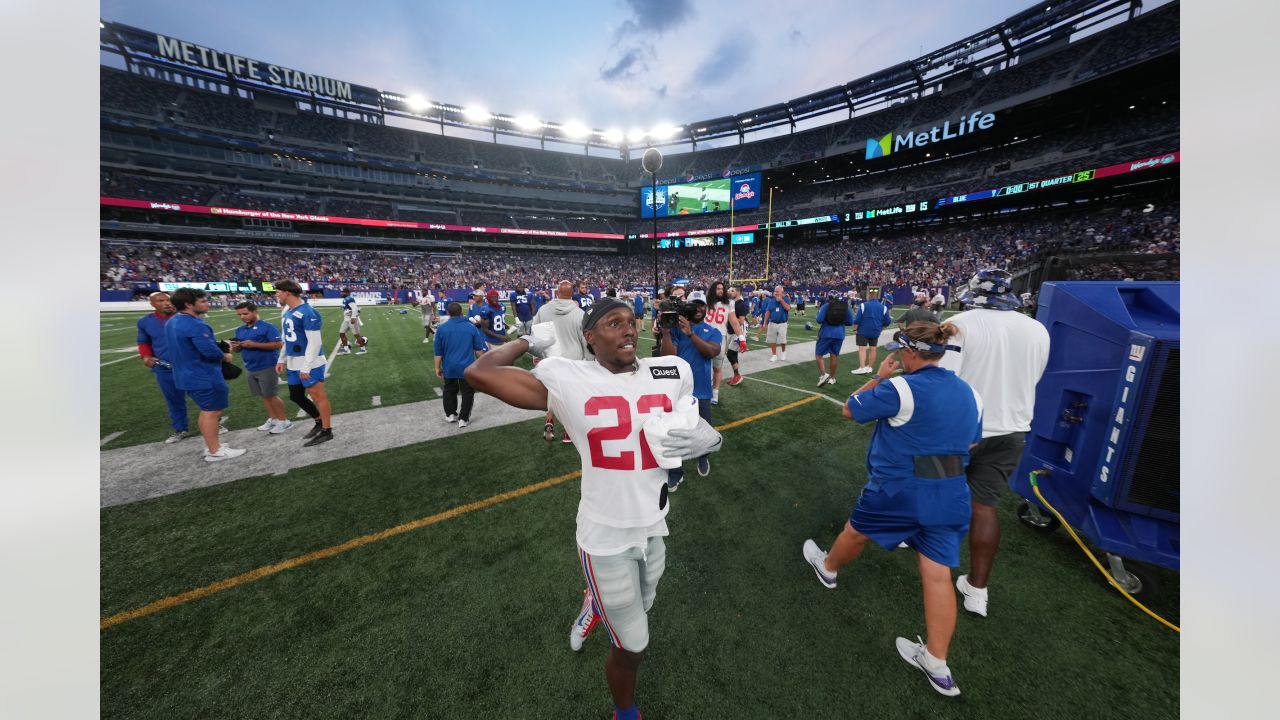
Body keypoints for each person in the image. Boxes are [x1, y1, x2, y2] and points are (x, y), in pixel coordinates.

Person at [464, 298, 723, 720]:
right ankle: (625, 713)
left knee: (645, 603)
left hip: (655, 524)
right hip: (604, 535)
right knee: (633, 645)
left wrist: (711, 439)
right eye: (612, 323)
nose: (626, 329)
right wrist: (529, 339)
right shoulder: (567, 377)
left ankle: (594, 602)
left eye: (631, 322)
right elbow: (479, 373)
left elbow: (690, 421)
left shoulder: (670, 370)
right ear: (589, 336)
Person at [802, 321, 980, 697]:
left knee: (855, 531)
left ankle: (828, 568)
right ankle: (937, 663)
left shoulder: (901, 386)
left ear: (911, 351)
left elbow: (850, 410)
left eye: (899, 349)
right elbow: (973, 443)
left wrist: (878, 379)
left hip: (900, 489)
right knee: (938, 576)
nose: (896, 356)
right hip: (951, 493)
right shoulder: (970, 393)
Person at [940, 269, 1050, 618]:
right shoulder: (1037, 329)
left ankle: (909, 540)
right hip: (1012, 429)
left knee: (928, 486)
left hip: (965, 428)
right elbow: (1035, 377)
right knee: (984, 507)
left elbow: (944, 379)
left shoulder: (961, 323)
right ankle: (977, 590)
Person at [164, 288, 245, 461]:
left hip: (186, 374)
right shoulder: (195, 324)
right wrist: (226, 355)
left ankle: (212, 446)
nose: (207, 304)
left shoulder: (172, 321)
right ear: (188, 304)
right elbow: (210, 352)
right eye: (202, 301)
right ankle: (215, 451)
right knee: (212, 412)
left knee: (206, 411)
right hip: (203, 375)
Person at [659, 295, 722, 486]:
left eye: (701, 305)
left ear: (706, 308)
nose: (698, 308)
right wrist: (667, 333)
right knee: (675, 432)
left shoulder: (712, 331)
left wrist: (690, 334)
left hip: (701, 391)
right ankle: (676, 471)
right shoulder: (677, 329)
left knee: (702, 430)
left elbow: (711, 352)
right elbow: (668, 356)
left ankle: (702, 457)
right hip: (678, 390)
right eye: (694, 305)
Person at [274, 280, 334, 447]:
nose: (276, 295)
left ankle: (327, 430)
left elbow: (315, 343)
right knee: (296, 396)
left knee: (318, 396)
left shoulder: (308, 312)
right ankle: (318, 421)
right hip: (294, 362)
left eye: (278, 291)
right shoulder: (287, 312)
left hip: (311, 362)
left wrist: (306, 366)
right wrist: (281, 359)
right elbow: (287, 339)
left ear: (287, 292)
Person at [532, 280, 591, 443]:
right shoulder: (579, 314)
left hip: (550, 359)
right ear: (572, 294)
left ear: (557, 293)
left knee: (552, 392)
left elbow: (534, 334)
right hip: (573, 361)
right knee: (571, 397)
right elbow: (586, 341)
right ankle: (567, 432)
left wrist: (535, 355)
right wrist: (589, 361)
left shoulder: (543, 310)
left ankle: (549, 421)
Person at [135, 291, 191, 443]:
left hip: (190, 365)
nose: (167, 303)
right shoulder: (145, 322)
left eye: (169, 300)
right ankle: (181, 428)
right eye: (161, 301)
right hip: (164, 366)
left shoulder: (186, 317)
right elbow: (143, 342)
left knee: (202, 395)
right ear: (152, 304)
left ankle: (214, 422)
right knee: (173, 399)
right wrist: (146, 356)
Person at [230, 301, 291, 434]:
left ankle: (284, 421)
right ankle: (273, 419)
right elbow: (238, 350)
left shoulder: (267, 327)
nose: (242, 317)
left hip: (267, 365)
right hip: (250, 367)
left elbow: (278, 344)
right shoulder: (240, 330)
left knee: (271, 395)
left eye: (245, 313)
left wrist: (255, 344)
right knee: (263, 396)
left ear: (255, 311)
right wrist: (237, 348)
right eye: (239, 315)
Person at [433, 302, 488, 428]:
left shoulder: (441, 328)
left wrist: (437, 367)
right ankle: (463, 418)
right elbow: (478, 350)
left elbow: (438, 352)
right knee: (467, 392)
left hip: (449, 366)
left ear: (448, 313)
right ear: (462, 312)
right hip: (467, 367)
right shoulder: (471, 327)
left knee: (449, 390)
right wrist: (484, 366)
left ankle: (450, 414)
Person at [703, 282, 745, 404]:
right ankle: (703, 390)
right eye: (718, 289)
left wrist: (741, 337)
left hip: (719, 337)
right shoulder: (705, 301)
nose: (721, 291)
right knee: (702, 366)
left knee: (717, 367)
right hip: (704, 335)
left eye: (722, 289)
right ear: (712, 290)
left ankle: (715, 393)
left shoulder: (729, 303)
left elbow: (734, 322)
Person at [814, 292, 854, 386]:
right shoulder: (845, 306)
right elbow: (850, 322)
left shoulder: (826, 306)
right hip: (839, 334)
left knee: (819, 355)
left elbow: (819, 320)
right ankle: (832, 378)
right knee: (834, 356)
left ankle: (824, 375)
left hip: (826, 333)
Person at [850, 288, 892, 374]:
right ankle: (870, 367)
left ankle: (862, 368)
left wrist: (854, 329)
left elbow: (857, 319)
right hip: (875, 331)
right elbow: (887, 322)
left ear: (869, 296)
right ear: (877, 296)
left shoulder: (863, 305)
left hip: (863, 330)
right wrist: (880, 329)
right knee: (873, 349)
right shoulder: (883, 307)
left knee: (862, 349)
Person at [757, 285, 791, 362]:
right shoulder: (771, 300)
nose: (775, 293)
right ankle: (774, 355)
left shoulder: (786, 299)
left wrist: (781, 300)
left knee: (782, 340)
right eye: (775, 291)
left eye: (777, 291)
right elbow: (768, 312)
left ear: (782, 293)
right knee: (772, 340)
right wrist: (765, 323)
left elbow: (788, 308)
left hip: (782, 323)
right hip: (772, 323)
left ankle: (783, 352)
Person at [724, 286, 750, 386]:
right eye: (729, 290)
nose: (729, 292)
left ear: (738, 292)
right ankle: (736, 375)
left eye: (732, 291)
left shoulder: (741, 304)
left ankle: (737, 375)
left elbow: (741, 321)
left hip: (738, 332)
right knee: (732, 354)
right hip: (731, 331)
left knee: (730, 354)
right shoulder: (732, 303)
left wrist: (729, 318)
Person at [337, 288, 368, 355]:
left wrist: (353, 317)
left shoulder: (349, 299)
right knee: (341, 333)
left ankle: (363, 350)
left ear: (347, 293)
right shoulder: (345, 299)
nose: (341, 293)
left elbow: (354, 308)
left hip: (351, 319)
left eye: (343, 292)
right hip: (346, 319)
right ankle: (346, 350)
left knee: (356, 334)